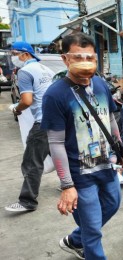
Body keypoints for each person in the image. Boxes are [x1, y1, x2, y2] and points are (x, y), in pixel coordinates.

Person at [41, 32, 123, 259]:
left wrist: (121, 150)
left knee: (113, 203)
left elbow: (109, 119)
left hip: (106, 164)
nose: (86, 63)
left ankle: (75, 239)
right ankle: (88, 244)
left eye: (90, 58)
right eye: (79, 57)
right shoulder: (55, 94)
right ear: (65, 59)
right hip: (80, 173)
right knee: (93, 231)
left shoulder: (99, 83)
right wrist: (67, 185)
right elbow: (56, 142)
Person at [5, 41, 55, 212]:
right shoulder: (47, 70)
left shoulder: (25, 72)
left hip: (43, 122)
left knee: (32, 162)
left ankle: (28, 201)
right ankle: (69, 185)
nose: (13, 58)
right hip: (59, 120)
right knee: (61, 155)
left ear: (25, 54)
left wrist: (17, 109)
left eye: (14, 53)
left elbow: (27, 100)